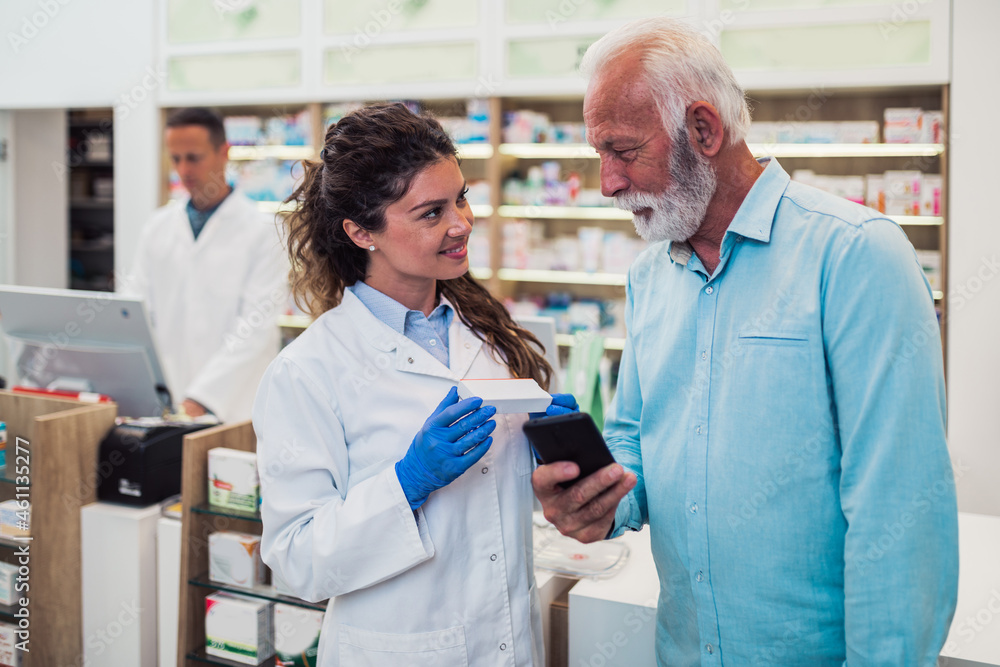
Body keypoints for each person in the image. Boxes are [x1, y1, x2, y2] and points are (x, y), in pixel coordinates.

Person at [533, 18, 959, 666]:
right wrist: (601, 499)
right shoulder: (650, 276)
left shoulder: (854, 257)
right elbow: (635, 434)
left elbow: (900, 518)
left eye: (623, 150)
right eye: (600, 155)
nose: (608, 183)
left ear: (703, 130)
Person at [253, 102, 574, 666]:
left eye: (462, 198)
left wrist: (555, 452)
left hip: (507, 643)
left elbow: (493, 506)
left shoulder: (492, 337)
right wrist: (408, 481)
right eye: (431, 213)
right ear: (360, 231)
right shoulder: (309, 370)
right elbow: (297, 560)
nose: (462, 223)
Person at [130, 107, 287, 421]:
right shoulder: (158, 227)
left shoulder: (264, 231)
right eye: (175, 159)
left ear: (223, 153)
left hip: (232, 408)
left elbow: (254, 329)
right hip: (166, 401)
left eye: (194, 157)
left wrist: (199, 399)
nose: (184, 169)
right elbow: (135, 312)